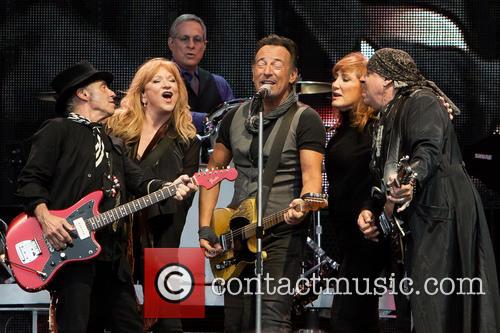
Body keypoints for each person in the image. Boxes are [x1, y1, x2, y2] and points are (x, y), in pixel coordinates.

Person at [15, 61, 196, 333]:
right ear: (83, 95)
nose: (114, 94)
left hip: (111, 254)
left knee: (130, 325)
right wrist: (46, 217)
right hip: (72, 251)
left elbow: (139, 181)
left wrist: (170, 186)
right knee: (76, 326)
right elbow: (30, 180)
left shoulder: (113, 143)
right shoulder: (58, 130)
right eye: (104, 87)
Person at [358, 48, 500, 333]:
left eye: (369, 74)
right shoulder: (385, 118)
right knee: (417, 303)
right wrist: (372, 211)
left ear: (386, 80)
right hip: (422, 218)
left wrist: (411, 182)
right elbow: (383, 177)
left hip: (439, 215)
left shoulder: (421, 101)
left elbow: (427, 150)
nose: (363, 81)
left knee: (435, 306)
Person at [198, 34, 326, 332]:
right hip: (236, 232)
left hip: (281, 232)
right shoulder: (235, 117)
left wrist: (305, 204)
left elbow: (311, 179)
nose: (267, 70)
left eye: (276, 64)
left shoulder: (305, 120)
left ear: (293, 75)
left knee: (271, 319)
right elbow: (212, 171)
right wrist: (205, 227)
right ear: (252, 71)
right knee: (236, 322)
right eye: (261, 63)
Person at [107, 57, 201, 332]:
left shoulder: (188, 138)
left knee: (169, 321)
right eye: (158, 81)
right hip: (117, 232)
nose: (167, 85)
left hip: (162, 233)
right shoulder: (116, 130)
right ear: (143, 94)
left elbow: (185, 196)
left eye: (173, 81)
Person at [325, 52, 390, 333]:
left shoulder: (376, 129)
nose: (335, 85)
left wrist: (373, 214)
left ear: (364, 86)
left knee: (346, 319)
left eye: (345, 79)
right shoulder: (346, 128)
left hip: (368, 238)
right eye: (335, 78)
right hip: (348, 240)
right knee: (360, 318)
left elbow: (382, 180)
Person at [168, 13, 235, 133]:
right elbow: (159, 114)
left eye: (197, 40)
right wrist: (208, 119)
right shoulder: (156, 80)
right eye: (184, 39)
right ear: (171, 43)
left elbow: (232, 120)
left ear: (204, 46)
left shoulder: (219, 83)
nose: (191, 45)